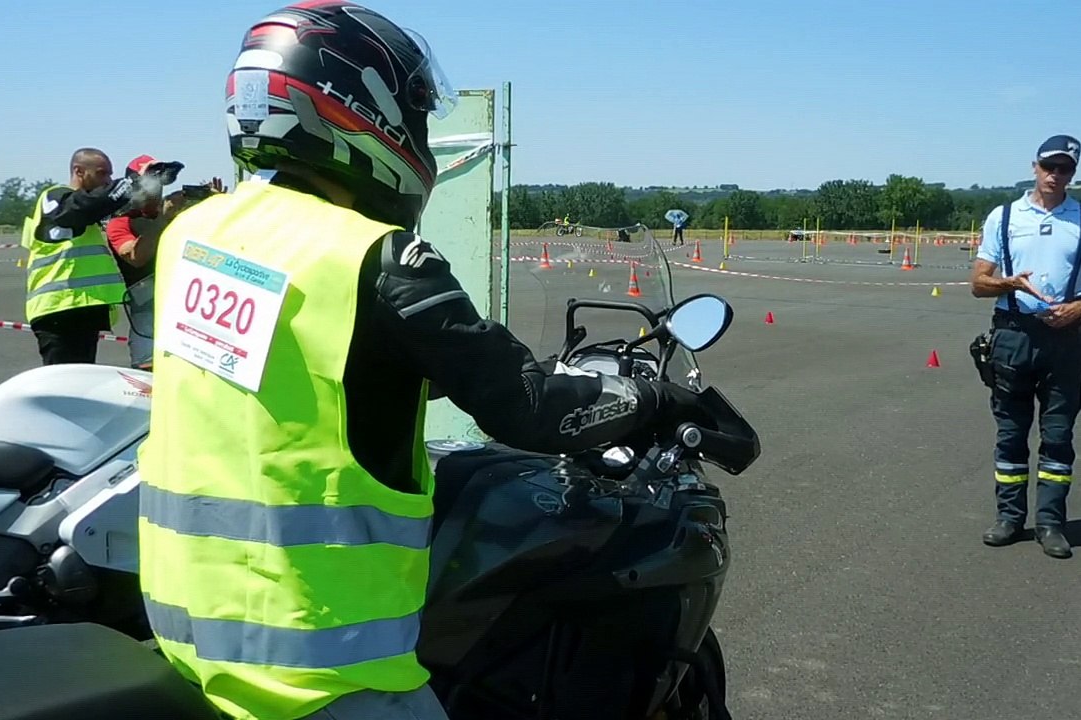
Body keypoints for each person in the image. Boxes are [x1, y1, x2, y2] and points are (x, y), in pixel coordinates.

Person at [134, 4, 712, 720]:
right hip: (321, 662)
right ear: (358, 107)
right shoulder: (376, 258)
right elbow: (526, 408)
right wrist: (653, 398)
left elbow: (306, 361)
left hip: (191, 623)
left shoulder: (196, 231)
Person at [969, 134, 1081, 559]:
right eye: (1049, 166)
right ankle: (1009, 517)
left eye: (1065, 169)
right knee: (1010, 432)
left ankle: (1051, 523)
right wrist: (1009, 283)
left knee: (1058, 434)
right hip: (1013, 334)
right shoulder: (1004, 216)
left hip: (1066, 338)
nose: (1055, 175)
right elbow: (978, 282)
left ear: (1073, 173)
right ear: (1034, 167)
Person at [20, 149, 147, 365]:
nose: (107, 180)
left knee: (81, 376)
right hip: (59, 308)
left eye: (110, 175)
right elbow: (82, 207)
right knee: (64, 379)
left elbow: (106, 205)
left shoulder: (91, 209)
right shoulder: (56, 197)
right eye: (101, 173)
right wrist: (130, 183)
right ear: (79, 171)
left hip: (81, 308)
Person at [105, 155, 169, 370]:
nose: (156, 188)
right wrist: (163, 220)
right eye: (151, 180)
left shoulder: (173, 214)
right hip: (146, 313)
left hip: (180, 310)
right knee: (148, 374)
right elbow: (136, 258)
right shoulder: (120, 222)